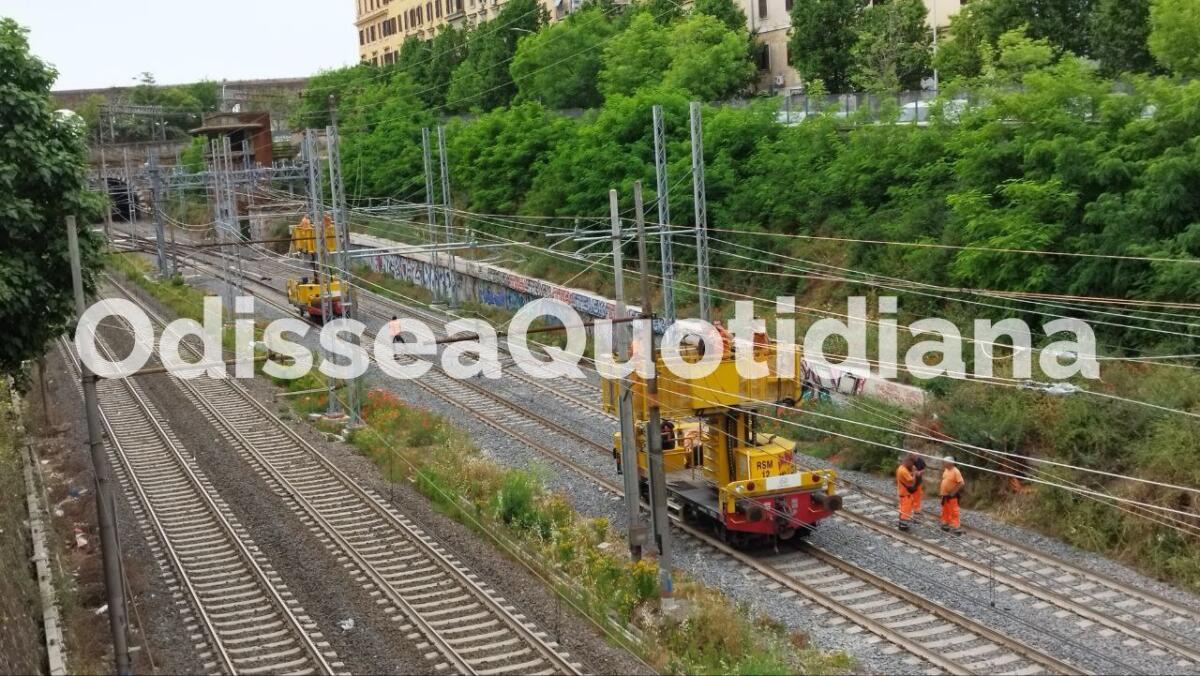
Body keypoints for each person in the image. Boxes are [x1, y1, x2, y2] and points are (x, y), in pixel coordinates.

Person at [940, 456, 965, 535]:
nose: (943, 463)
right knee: (945, 511)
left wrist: (953, 493)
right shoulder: (946, 470)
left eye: (945, 462)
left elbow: (961, 483)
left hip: (951, 496)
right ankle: (945, 524)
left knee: (954, 512)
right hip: (945, 495)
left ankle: (956, 527)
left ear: (951, 463)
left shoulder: (956, 471)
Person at [895, 454, 919, 531]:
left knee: (902, 509)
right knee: (906, 510)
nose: (912, 465)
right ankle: (903, 526)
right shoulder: (904, 471)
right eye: (912, 463)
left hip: (902, 493)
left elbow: (907, 477)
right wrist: (914, 473)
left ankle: (901, 523)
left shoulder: (901, 468)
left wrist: (911, 473)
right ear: (908, 462)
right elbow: (913, 482)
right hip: (906, 494)